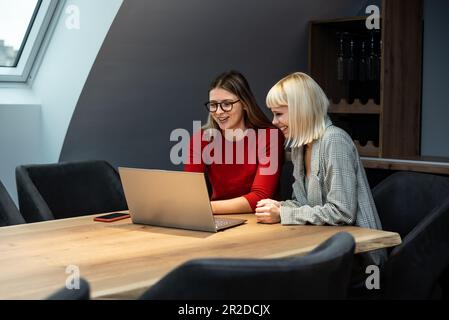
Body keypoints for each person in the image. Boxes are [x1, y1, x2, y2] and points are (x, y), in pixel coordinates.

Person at [255, 72, 386, 267]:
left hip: (359, 258)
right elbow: (304, 203)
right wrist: (281, 206)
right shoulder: (300, 146)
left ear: (301, 111)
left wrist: (284, 214)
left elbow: (342, 213)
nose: (274, 121)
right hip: (325, 248)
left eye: (279, 114)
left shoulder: (334, 140)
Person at [185, 70, 284, 214]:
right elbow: (190, 193)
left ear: (244, 104)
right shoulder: (202, 138)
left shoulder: (269, 136)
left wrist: (203, 208)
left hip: (260, 220)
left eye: (226, 104)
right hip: (217, 219)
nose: (218, 112)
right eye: (213, 104)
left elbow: (260, 197)